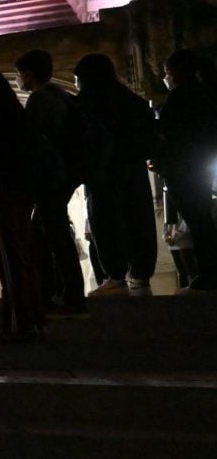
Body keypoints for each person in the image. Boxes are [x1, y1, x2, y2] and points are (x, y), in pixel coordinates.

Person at [0, 68, 49, 341]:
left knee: (6, 252)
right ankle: (34, 316)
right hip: (23, 187)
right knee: (23, 250)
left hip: (0, 186)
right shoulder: (18, 114)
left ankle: (18, 320)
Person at [74, 54, 158, 297]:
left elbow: (82, 137)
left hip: (103, 172)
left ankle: (116, 277)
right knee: (139, 219)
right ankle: (141, 278)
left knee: (106, 222)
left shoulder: (88, 101)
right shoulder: (130, 99)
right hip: (134, 167)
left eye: (77, 78)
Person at [15, 50, 87, 313]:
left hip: (50, 176)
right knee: (50, 231)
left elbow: (32, 142)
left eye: (19, 73)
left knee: (51, 233)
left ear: (29, 74)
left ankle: (65, 293)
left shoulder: (40, 99)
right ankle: (63, 290)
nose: (17, 79)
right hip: (65, 174)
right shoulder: (62, 95)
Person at [156, 50, 217, 293]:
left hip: (183, 169)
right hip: (200, 166)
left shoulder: (180, 97)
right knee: (203, 221)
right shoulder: (206, 95)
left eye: (168, 73)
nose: (166, 77)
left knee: (198, 223)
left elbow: (167, 135)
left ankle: (208, 274)